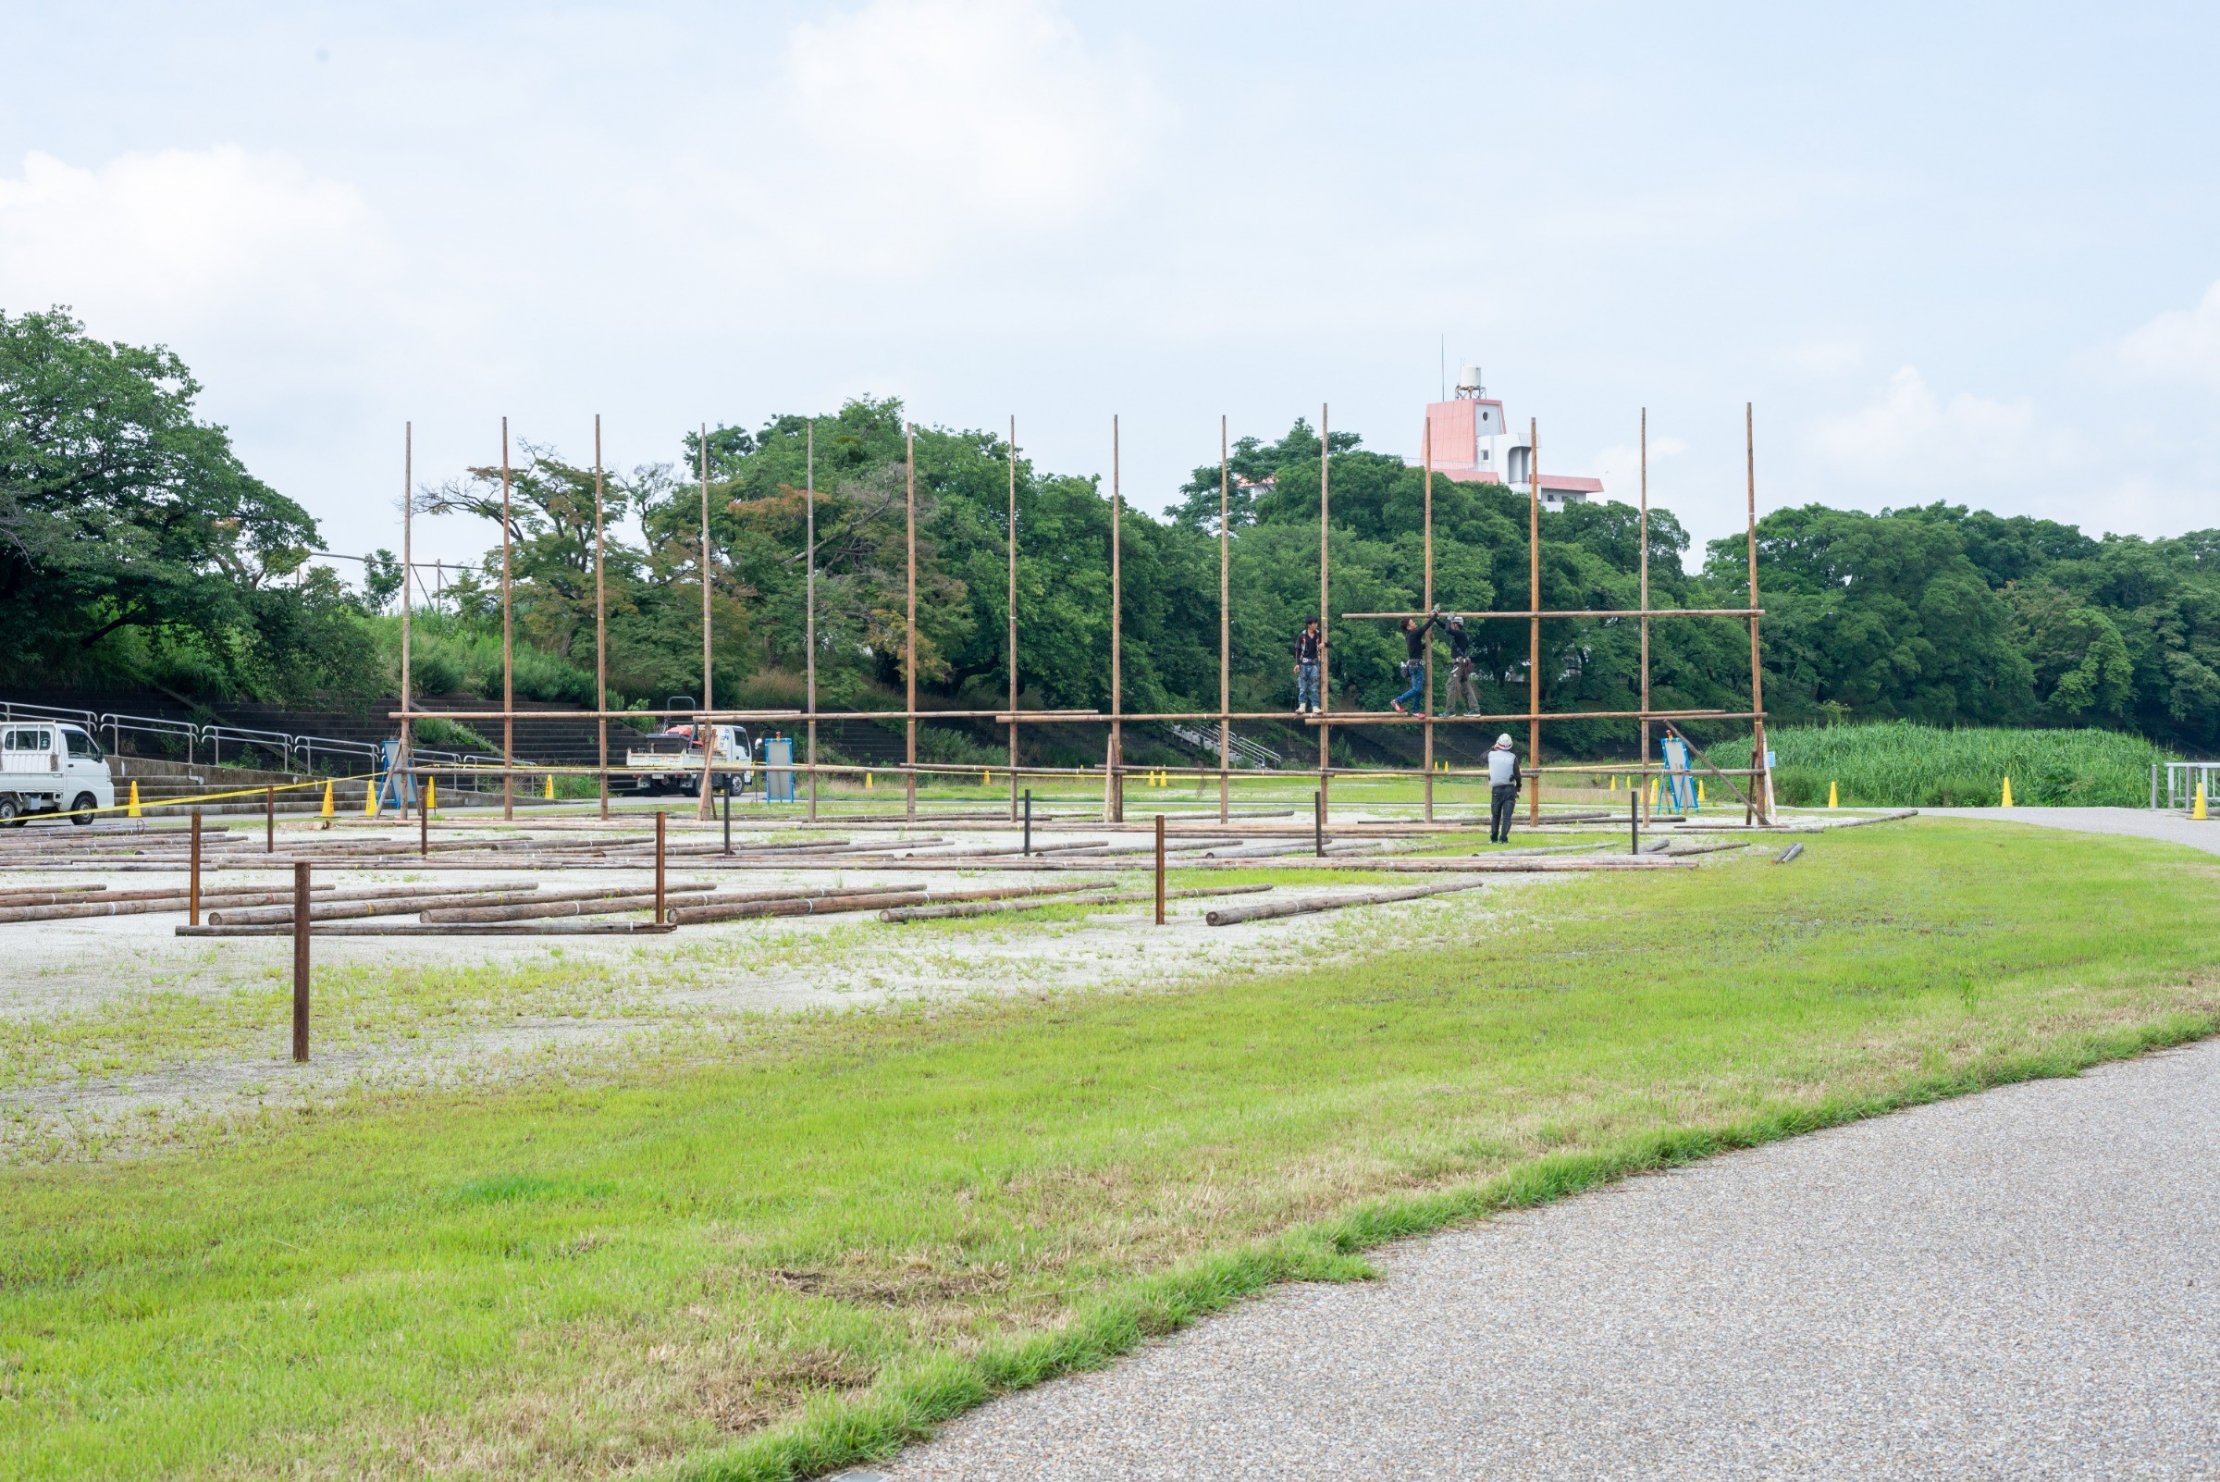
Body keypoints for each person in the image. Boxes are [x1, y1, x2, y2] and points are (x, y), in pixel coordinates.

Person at [1389, 612, 1439, 714]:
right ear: (1408, 627)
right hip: (1416, 666)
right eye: (1412, 622)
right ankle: (1397, 701)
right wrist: (1435, 616)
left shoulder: (1410, 636)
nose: (1415, 623)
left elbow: (1420, 648)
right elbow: (1426, 626)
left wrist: (1430, 641)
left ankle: (1416, 710)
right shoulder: (1414, 633)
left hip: (1414, 665)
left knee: (1417, 689)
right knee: (1417, 689)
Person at [1487, 732, 1521, 843]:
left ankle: (1493, 838)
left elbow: (1482, 757)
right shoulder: (1513, 757)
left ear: (1498, 743)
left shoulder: (1491, 755)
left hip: (1496, 789)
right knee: (1507, 816)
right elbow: (1517, 774)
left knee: (1495, 815)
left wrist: (1493, 747)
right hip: (1509, 789)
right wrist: (1518, 786)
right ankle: (1503, 838)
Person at [1444, 615, 1480, 716]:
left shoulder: (1460, 634)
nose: (1451, 625)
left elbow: (1447, 629)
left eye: (1452, 624)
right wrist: (1435, 617)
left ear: (1456, 625)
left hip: (1459, 664)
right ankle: (1475, 709)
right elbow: (1445, 626)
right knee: (1467, 687)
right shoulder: (1460, 634)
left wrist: (1448, 619)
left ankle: (1450, 711)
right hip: (1462, 663)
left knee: (1450, 685)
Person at [1293, 618, 1323, 715]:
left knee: (1314, 687)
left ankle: (1315, 707)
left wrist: (1324, 644)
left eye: (1316, 623)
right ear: (1309, 625)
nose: (1316, 625)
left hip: (1314, 664)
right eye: (1314, 623)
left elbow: (1330, 643)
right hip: (1303, 664)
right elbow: (1297, 650)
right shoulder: (1302, 635)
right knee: (1302, 687)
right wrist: (1297, 664)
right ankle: (1302, 706)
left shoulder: (1318, 634)